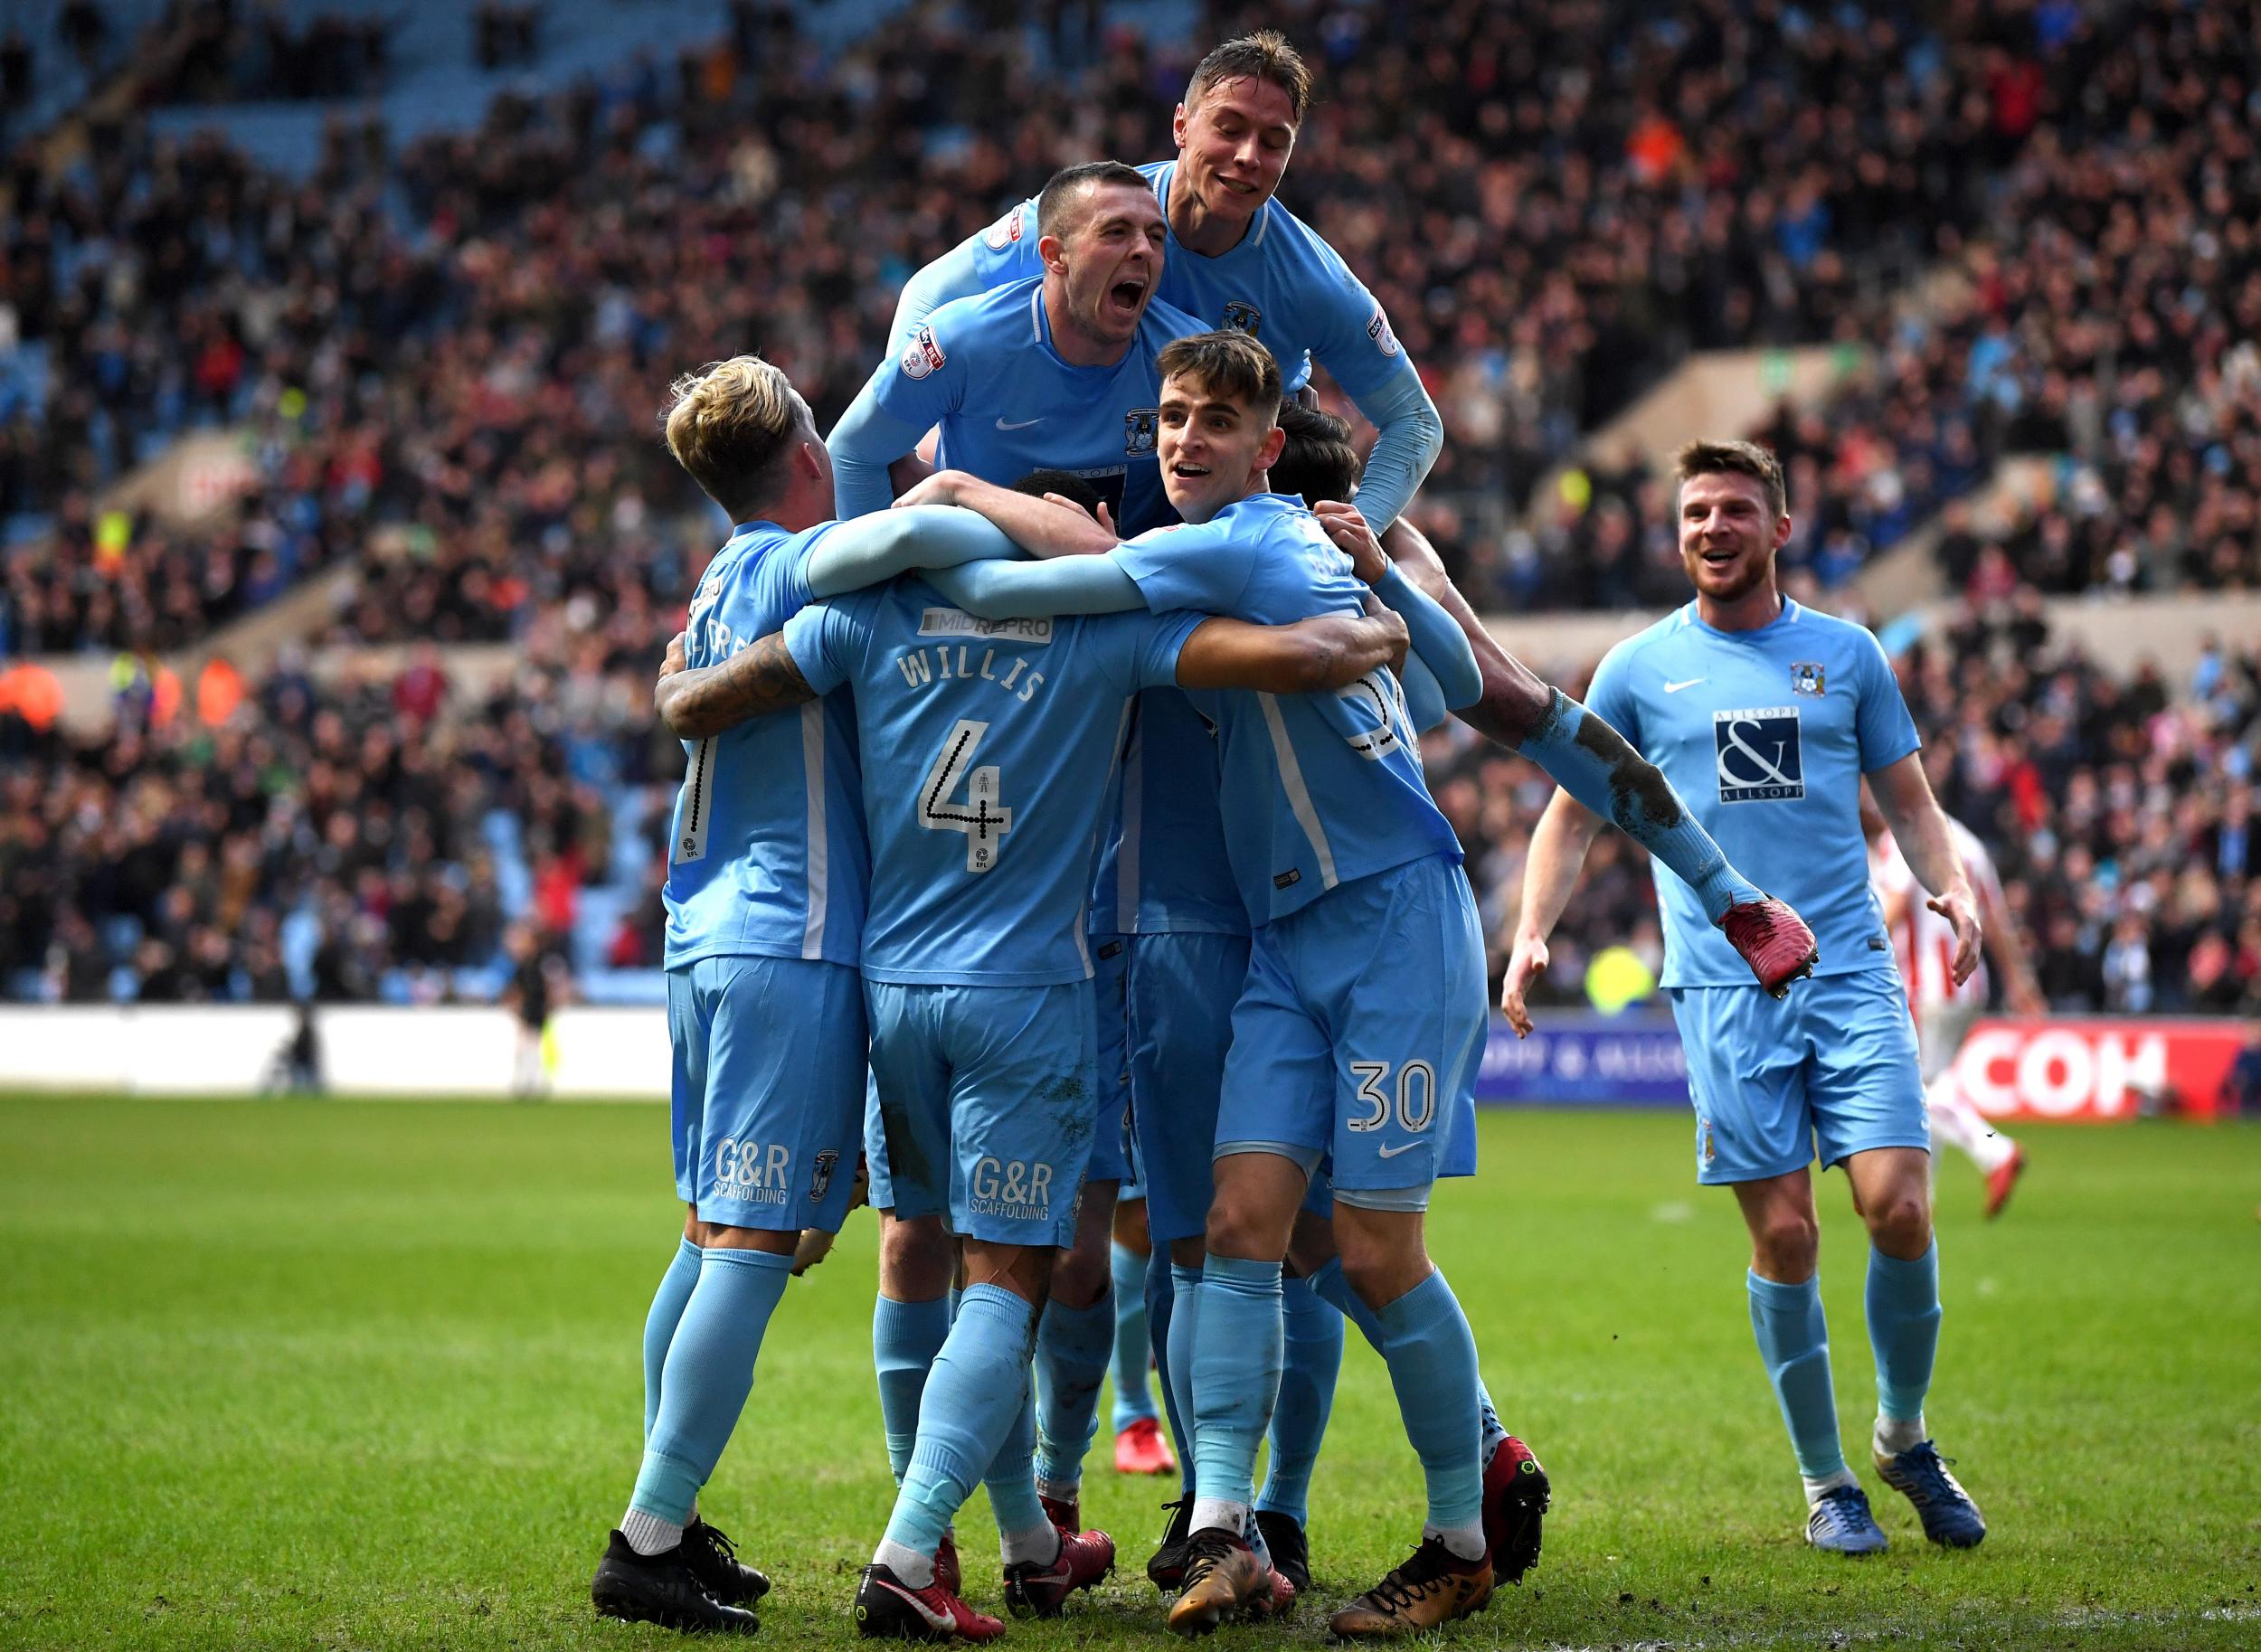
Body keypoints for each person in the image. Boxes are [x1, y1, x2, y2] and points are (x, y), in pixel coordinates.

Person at [650, 439, 1412, 1641]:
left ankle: (1016, 1534)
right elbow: (1292, 656)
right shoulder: (1105, 638)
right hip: (1026, 993)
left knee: (924, 1257)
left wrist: (673, 686)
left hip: (893, 997)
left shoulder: (874, 622)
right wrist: (1375, 625)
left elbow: (712, 692)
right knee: (1010, 1282)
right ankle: (908, 1550)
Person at [902, 330, 1504, 1639]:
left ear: (1265, 448)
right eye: (1171, 419)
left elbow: (1072, 577)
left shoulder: (1249, 536)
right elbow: (1448, 679)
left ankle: (1461, 1532)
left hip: (1396, 913)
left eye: (1213, 424)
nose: (1184, 441)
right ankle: (1225, 1527)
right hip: (1287, 935)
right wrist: (1395, 581)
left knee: (1374, 1248)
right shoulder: (1294, 546)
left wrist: (957, 495)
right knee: (1239, 1227)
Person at [591, 354, 1090, 1637]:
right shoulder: (789, 563)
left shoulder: (711, 583)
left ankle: (673, 1514)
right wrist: (974, 486)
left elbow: (698, 698)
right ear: (808, 453)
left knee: (707, 1234)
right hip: (787, 933)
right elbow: (926, 530)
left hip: (702, 929)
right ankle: (647, 1532)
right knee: (755, 1244)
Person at [1504, 439, 1991, 1558]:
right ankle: (1827, 1484)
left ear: (1779, 527)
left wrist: (1951, 891)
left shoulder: (1849, 655)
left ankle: (1903, 1436)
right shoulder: (1634, 667)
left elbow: (1908, 804)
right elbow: (1573, 814)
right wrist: (1531, 933)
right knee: (1785, 1236)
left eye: (1732, 511)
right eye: (1692, 515)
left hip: (1852, 972)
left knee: (1901, 1210)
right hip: (1721, 990)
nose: (1710, 530)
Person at [887, 32, 1443, 534]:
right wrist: (906, 425)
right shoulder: (1090, 210)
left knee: (1415, 569)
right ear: (1181, 125)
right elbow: (929, 295)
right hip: (1070, 470)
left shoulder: (1311, 279)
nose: (1248, 156)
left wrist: (1355, 534)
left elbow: (1416, 422)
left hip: (1212, 507)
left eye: (1274, 141)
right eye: (1229, 129)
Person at [830, 160, 1206, 533]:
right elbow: (853, 456)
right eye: (1116, 232)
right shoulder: (963, 342)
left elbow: (1238, 496)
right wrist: (877, 584)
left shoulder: (1193, 360)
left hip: (1134, 579)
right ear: (1053, 255)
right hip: (972, 578)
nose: (1144, 249)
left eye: (1156, 236)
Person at [1865, 789, 2040, 1217]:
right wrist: (2018, 980)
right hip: (1970, 985)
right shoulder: (1971, 844)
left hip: (1927, 986)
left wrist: (1849, 948)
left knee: (1916, 1087)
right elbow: (1995, 921)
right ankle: (1923, 1194)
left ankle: (1995, 1153)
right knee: (1932, 1080)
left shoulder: (1905, 838)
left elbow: (1893, 904)